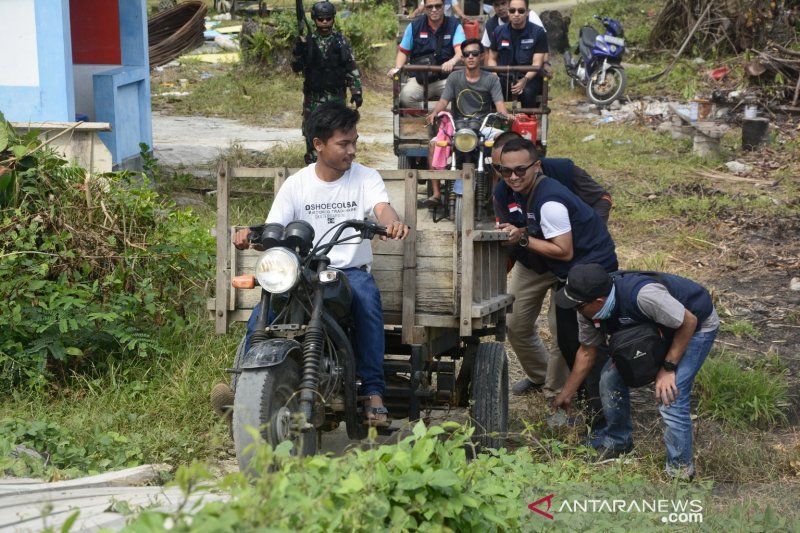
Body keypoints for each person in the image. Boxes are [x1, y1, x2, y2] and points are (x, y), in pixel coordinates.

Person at [234, 103, 410, 426]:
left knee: (368, 302)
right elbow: (274, 230)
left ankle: (373, 391)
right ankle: (242, 384)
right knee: (264, 311)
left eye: (354, 142)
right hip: (303, 271)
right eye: (344, 143)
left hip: (348, 273)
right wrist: (250, 236)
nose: (352, 150)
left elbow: (382, 208)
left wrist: (392, 223)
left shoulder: (366, 178)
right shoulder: (296, 184)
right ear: (318, 144)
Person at [553, 264, 719, 478]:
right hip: (654, 329)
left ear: (598, 302)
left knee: (670, 395)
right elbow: (586, 352)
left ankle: (680, 472)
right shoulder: (587, 311)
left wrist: (668, 368)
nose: (574, 309)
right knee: (609, 379)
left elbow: (688, 321)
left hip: (694, 326)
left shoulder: (644, 296)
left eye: (578, 306)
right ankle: (618, 442)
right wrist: (566, 394)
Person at [494, 137, 617, 424]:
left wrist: (523, 236)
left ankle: (568, 398)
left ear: (537, 166)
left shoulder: (551, 194)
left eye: (520, 170)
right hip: (540, 262)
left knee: (572, 335)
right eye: (504, 170)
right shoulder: (507, 190)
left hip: (578, 267)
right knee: (520, 323)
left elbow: (564, 249)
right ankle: (556, 386)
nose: (512, 176)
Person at [422, 38, 513, 206]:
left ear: (482, 56)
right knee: (433, 145)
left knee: (502, 145)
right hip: (458, 127)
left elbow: (500, 106)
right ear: (462, 58)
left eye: (475, 53)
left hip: (483, 126)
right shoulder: (455, 77)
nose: (471, 57)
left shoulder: (491, 80)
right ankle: (436, 194)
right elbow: (443, 101)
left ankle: (496, 194)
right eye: (466, 54)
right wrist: (434, 112)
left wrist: (507, 115)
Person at [292, 1, 363, 165]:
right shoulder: (307, 41)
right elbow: (297, 68)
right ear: (314, 20)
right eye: (321, 19)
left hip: (336, 97)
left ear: (333, 19)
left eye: (328, 19)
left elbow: (350, 67)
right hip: (314, 98)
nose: (324, 23)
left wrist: (356, 92)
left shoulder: (341, 42)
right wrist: (299, 51)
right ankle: (313, 163)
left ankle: (337, 163)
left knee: (337, 132)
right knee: (312, 131)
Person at [388, 0, 465, 108]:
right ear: (425, 8)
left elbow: (460, 51)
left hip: (445, 79)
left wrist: (452, 61)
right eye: (430, 7)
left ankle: (443, 116)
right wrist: (397, 68)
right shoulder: (414, 26)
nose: (434, 10)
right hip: (420, 80)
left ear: (443, 7)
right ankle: (433, 114)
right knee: (405, 97)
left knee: (463, 96)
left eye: (438, 6)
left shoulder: (454, 25)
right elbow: (403, 51)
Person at [486, 0, 548, 109]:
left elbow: (537, 64)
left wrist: (525, 80)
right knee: (489, 88)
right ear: (508, 12)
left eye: (520, 11)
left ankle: (527, 122)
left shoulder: (538, 32)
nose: (516, 14)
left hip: (529, 77)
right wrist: (494, 76)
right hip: (504, 77)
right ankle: (495, 120)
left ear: (527, 12)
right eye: (512, 10)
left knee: (528, 92)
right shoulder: (498, 31)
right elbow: (492, 58)